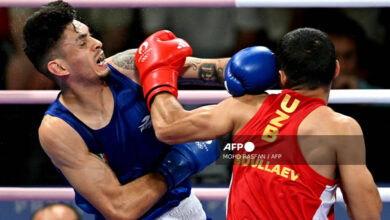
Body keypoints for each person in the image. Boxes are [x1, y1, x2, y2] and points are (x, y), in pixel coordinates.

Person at [136, 28, 382, 219]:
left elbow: (168, 126)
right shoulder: (341, 129)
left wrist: (158, 73)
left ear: (282, 75)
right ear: (336, 70)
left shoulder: (244, 107)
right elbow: (367, 214)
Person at [23, 1, 227, 219]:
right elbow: (120, 208)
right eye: (83, 43)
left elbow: (218, 70)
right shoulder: (59, 129)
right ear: (60, 67)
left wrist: (253, 65)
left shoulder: (130, 66)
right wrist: (180, 164)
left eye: (91, 35)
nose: (98, 43)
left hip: (188, 206)